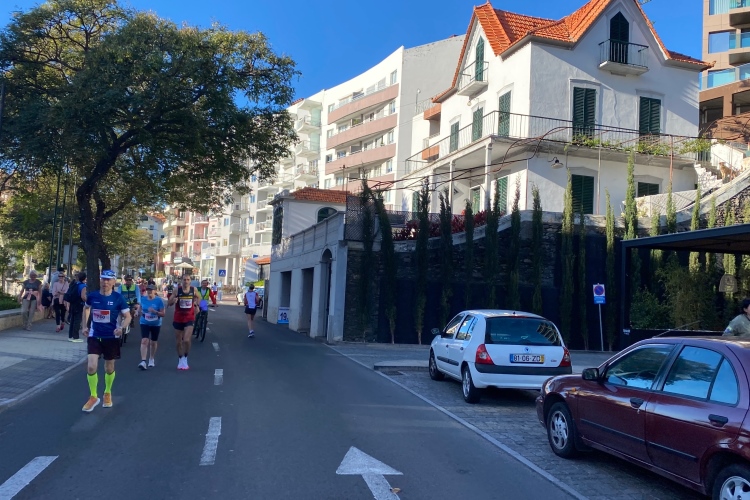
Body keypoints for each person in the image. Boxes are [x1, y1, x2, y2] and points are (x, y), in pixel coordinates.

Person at [81, 269, 131, 412]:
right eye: (103, 279)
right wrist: (84, 326)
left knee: (109, 367)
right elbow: (86, 309)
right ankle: (93, 396)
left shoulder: (118, 298)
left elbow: (128, 316)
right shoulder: (93, 296)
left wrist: (121, 328)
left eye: (108, 280)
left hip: (111, 337)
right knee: (91, 367)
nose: (105, 282)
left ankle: (107, 392)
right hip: (95, 335)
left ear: (114, 282)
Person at [167, 275, 199, 370]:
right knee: (178, 342)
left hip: (189, 317)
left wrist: (196, 305)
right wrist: (173, 300)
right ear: (182, 281)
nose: (186, 281)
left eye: (188, 280)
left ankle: (185, 356)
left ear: (190, 281)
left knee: (186, 340)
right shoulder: (177, 290)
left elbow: (198, 297)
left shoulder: (193, 289)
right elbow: (169, 303)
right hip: (178, 318)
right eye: (184, 280)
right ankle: (180, 358)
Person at [138, 284, 165, 370]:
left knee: (153, 342)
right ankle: (143, 361)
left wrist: (154, 311)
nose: (149, 291)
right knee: (144, 340)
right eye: (148, 290)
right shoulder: (143, 299)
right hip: (144, 322)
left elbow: (163, 314)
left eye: (151, 290)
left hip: (156, 324)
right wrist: (138, 312)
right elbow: (140, 308)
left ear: (155, 291)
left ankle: (151, 358)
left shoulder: (159, 300)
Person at [117, 275, 141, 344]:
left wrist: (138, 303)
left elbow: (138, 295)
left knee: (133, 310)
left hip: (132, 303)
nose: (128, 281)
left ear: (131, 280)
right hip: (123, 304)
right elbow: (118, 295)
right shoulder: (121, 287)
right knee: (120, 315)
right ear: (125, 280)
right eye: (127, 280)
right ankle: (119, 327)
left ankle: (132, 320)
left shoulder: (135, 287)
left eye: (130, 280)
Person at [65, 272, 87, 343]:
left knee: (72, 320)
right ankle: (75, 337)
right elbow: (83, 297)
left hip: (73, 304)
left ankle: (70, 336)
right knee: (77, 321)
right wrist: (88, 300)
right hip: (79, 304)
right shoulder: (83, 286)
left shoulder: (75, 284)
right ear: (85, 278)